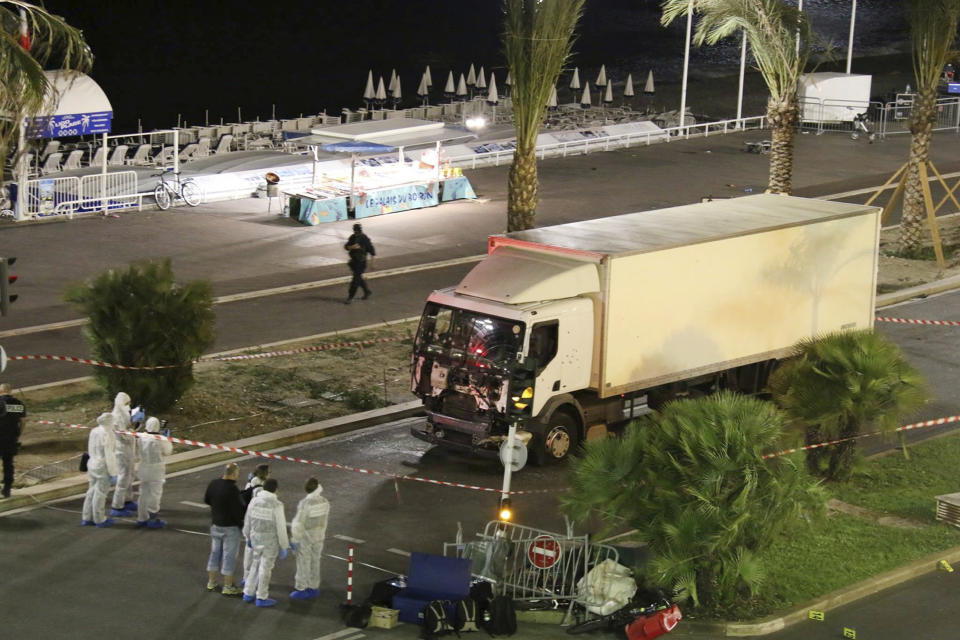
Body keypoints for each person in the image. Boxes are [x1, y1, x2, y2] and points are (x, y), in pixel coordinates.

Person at [242, 478, 290, 607]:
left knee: (255, 564)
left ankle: (248, 592)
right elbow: (281, 528)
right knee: (265, 568)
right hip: (270, 542)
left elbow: (248, 520)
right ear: (276, 489)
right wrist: (284, 546)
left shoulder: (254, 501)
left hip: (256, 538)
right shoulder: (277, 505)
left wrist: (248, 537)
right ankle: (261, 596)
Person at [204, 463, 245, 597]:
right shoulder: (232, 489)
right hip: (230, 528)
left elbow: (207, 499)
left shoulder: (213, 483)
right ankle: (228, 586)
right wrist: (241, 524)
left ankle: (211, 582)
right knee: (229, 556)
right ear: (234, 474)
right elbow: (239, 510)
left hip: (216, 525)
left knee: (215, 553)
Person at [289, 477, 330, 600]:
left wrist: (294, 540)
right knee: (315, 560)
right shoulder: (325, 501)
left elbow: (298, 523)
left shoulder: (305, 503)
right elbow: (325, 520)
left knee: (303, 562)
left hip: (305, 537)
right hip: (319, 536)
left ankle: (301, 588)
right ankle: (313, 586)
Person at [80, 413, 118, 527]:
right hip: (103, 466)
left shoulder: (94, 431)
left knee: (91, 491)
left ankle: (87, 517)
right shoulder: (108, 434)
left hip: (92, 463)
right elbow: (109, 454)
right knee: (100, 493)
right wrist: (113, 472)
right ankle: (99, 519)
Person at [135, 417, 172, 529]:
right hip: (156, 470)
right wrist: (167, 439)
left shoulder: (141, 437)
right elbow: (167, 452)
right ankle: (153, 518)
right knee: (155, 494)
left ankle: (141, 518)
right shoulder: (160, 439)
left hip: (143, 467)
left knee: (143, 493)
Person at [109, 391, 138, 516]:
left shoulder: (124, 415)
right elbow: (123, 437)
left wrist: (135, 424)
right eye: (127, 403)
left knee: (130, 476)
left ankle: (127, 500)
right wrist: (133, 431)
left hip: (128, 450)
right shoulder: (116, 417)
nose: (129, 406)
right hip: (122, 451)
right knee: (123, 478)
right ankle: (117, 505)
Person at [240, 463, 270, 581]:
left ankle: (246, 578)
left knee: (249, 554)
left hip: (250, 523)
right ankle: (254, 581)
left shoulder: (250, 484)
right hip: (258, 525)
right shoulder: (260, 488)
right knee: (258, 557)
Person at [0, 383, 26, 499]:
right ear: (10, 391)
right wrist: (18, 433)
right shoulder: (19, 403)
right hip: (11, 439)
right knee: (8, 464)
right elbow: (23, 421)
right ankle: (7, 490)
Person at [343, 222, 375, 304]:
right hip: (354, 262)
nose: (356, 232)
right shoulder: (352, 237)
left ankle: (350, 297)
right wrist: (352, 247)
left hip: (361, 262)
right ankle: (367, 291)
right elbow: (346, 246)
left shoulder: (364, 238)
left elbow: (371, 251)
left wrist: (372, 264)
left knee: (355, 280)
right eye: (355, 230)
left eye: (357, 230)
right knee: (358, 278)